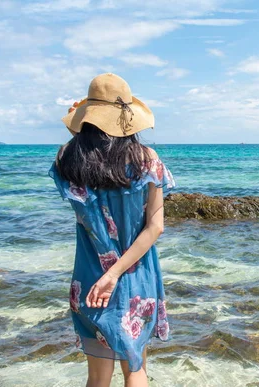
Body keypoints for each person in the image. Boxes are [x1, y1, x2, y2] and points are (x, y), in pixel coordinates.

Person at [49, 73, 176, 387]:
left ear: (89, 117)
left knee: (97, 379)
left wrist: (80, 121)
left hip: (90, 277)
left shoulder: (68, 161)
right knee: (135, 370)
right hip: (136, 277)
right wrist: (115, 273)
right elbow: (155, 227)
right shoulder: (148, 161)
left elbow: (72, 142)